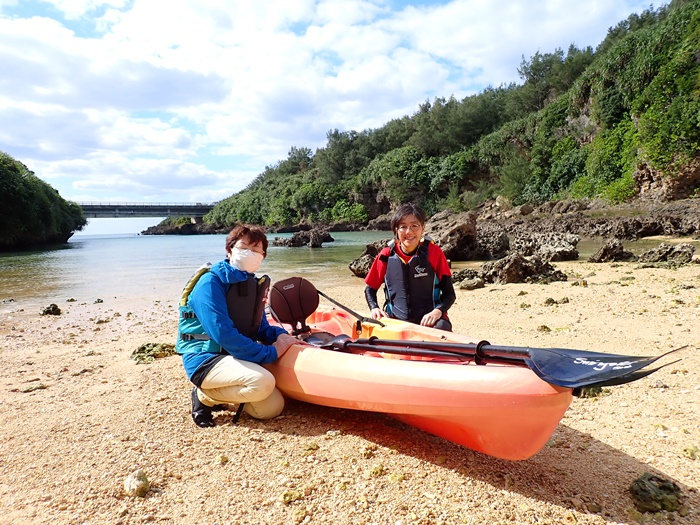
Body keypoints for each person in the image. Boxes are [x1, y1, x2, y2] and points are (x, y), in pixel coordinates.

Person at [176, 224, 298, 428]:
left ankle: (226, 391)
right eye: (244, 247)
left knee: (271, 408)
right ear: (229, 250)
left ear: (263, 256)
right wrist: (272, 352)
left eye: (257, 250)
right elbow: (222, 334)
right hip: (206, 358)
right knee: (263, 382)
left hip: (236, 357)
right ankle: (204, 396)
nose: (250, 253)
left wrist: (282, 336)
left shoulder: (251, 285)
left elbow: (261, 327)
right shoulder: (209, 283)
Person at [364, 203, 456, 331]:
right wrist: (374, 308)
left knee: (442, 327)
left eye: (414, 226)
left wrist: (437, 312)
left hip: (430, 321)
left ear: (423, 228)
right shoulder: (386, 255)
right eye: (403, 227)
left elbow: (449, 294)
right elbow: (370, 289)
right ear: (396, 230)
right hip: (395, 320)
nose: (409, 232)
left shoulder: (434, 253)